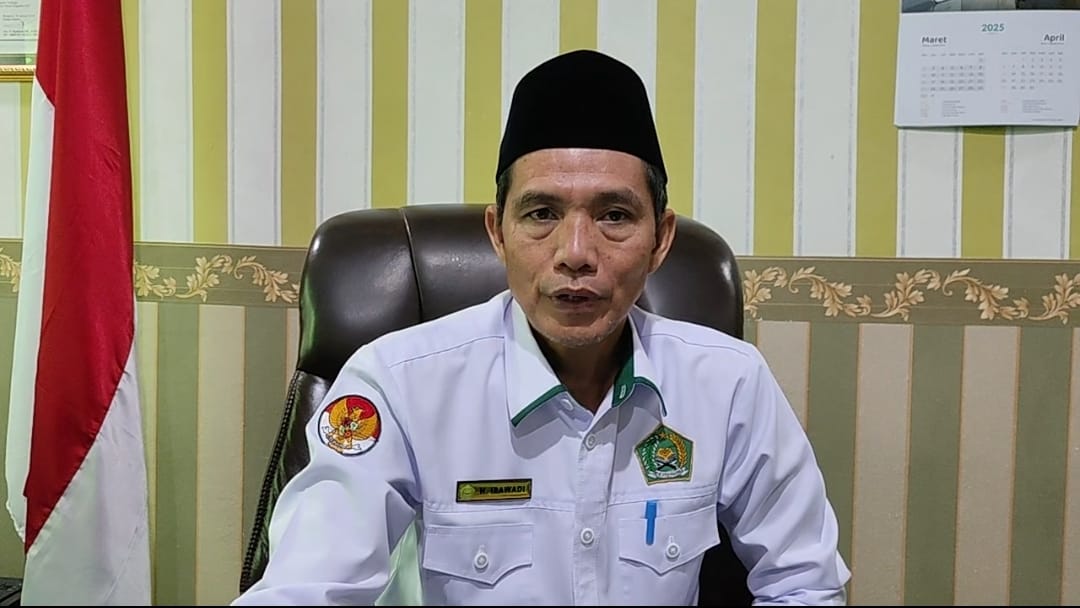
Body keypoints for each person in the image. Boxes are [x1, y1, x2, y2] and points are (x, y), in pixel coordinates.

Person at [232, 49, 850, 606]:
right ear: (498, 233)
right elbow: (306, 588)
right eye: (541, 213)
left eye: (614, 215)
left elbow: (806, 584)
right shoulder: (397, 384)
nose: (575, 252)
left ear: (661, 240)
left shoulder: (729, 383)